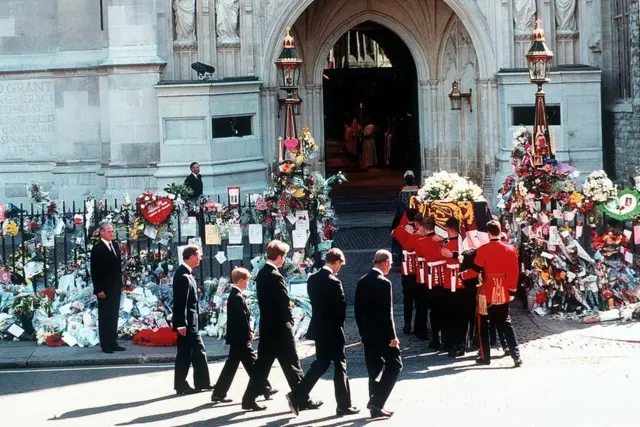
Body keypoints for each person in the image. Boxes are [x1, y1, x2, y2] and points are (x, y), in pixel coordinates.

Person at [242, 240, 323, 412]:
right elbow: (283, 303)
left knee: (263, 366)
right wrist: (290, 321)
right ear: (279, 257)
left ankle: (249, 399)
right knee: (293, 364)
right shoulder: (275, 275)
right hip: (280, 327)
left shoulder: (263, 273)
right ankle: (301, 398)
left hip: (268, 327)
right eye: (284, 256)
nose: (284, 260)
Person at [287, 249, 359, 417]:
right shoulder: (334, 282)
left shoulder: (312, 279)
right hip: (333, 329)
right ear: (336, 261)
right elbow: (340, 310)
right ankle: (343, 404)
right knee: (340, 365)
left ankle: (297, 395)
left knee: (321, 363)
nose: (340, 268)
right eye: (340, 264)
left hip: (319, 327)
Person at [212, 267, 277, 403]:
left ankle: (219, 392)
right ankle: (265, 387)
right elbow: (242, 319)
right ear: (240, 281)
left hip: (237, 338)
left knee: (235, 365)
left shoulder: (236, 295)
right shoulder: (236, 297)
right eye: (246, 281)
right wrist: (249, 333)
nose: (247, 283)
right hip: (240, 338)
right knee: (253, 362)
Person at [354, 250, 403, 419]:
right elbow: (387, 312)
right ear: (385, 262)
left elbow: (357, 310)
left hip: (368, 333)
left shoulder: (362, 281)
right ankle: (377, 401)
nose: (390, 266)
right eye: (390, 263)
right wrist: (393, 336)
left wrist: (362, 331)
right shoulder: (384, 283)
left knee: (374, 369)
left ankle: (376, 407)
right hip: (383, 334)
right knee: (395, 365)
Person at [472, 221, 523, 367]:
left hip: (486, 291)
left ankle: (485, 356)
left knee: (484, 326)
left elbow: (477, 267)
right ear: (499, 231)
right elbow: (514, 272)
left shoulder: (482, 249)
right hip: (503, 290)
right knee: (506, 323)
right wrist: (512, 290)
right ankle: (516, 356)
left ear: (488, 233)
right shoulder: (510, 249)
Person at [173, 245, 212, 395]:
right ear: (191, 256)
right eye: (199, 255)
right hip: (186, 323)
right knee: (187, 354)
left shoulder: (187, 274)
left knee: (196, 352)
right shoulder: (182, 276)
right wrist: (180, 324)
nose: (200, 258)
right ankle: (181, 385)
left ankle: (202, 382)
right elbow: (180, 302)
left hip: (191, 322)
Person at [90, 223, 125, 354]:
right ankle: (105, 344)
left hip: (115, 287)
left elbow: (117, 268)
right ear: (102, 233)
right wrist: (98, 289)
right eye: (109, 231)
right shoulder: (97, 248)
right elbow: (95, 271)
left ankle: (113, 341)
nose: (112, 233)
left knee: (114, 315)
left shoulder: (114, 246)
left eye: (112, 231)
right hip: (104, 289)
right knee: (105, 316)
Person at [414, 215, 446, 349]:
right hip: (445, 279)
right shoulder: (442, 241)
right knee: (444, 310)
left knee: (434, 312)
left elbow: (419, 255)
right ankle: (445, 338)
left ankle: (435, 339)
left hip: (431, 279)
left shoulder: (420, 242)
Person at [439, 217, 468, 358]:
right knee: (460, 315)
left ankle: (452, 343)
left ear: (448, 228)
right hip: (461, 283)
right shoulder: (463, 243)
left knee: (451, 315)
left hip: (452, 283)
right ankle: (459, 343)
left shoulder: (448, 244)